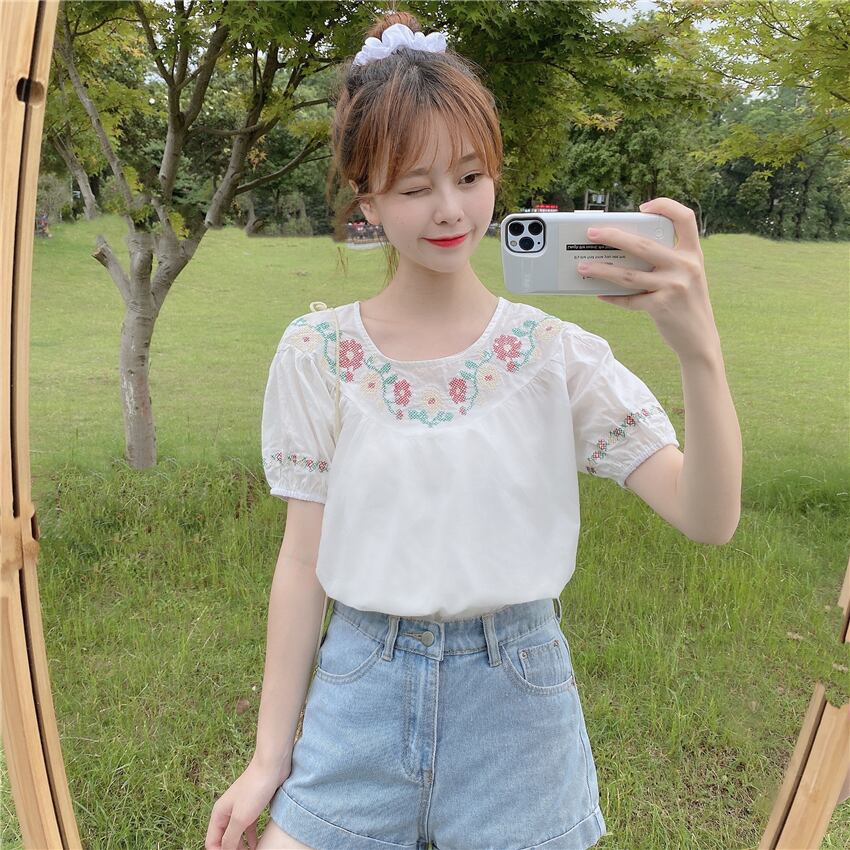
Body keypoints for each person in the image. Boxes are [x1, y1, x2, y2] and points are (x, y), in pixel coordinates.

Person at [206, 11, 742, 850]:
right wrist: (269, 757)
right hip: (359, 692)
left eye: (469, 175)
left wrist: (699, 352)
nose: (450, 209)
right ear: (367, 199)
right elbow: (302, 562)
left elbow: (707, 519)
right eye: (414, 187)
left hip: (518, 708)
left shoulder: (554, 355)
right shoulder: (320, 353)